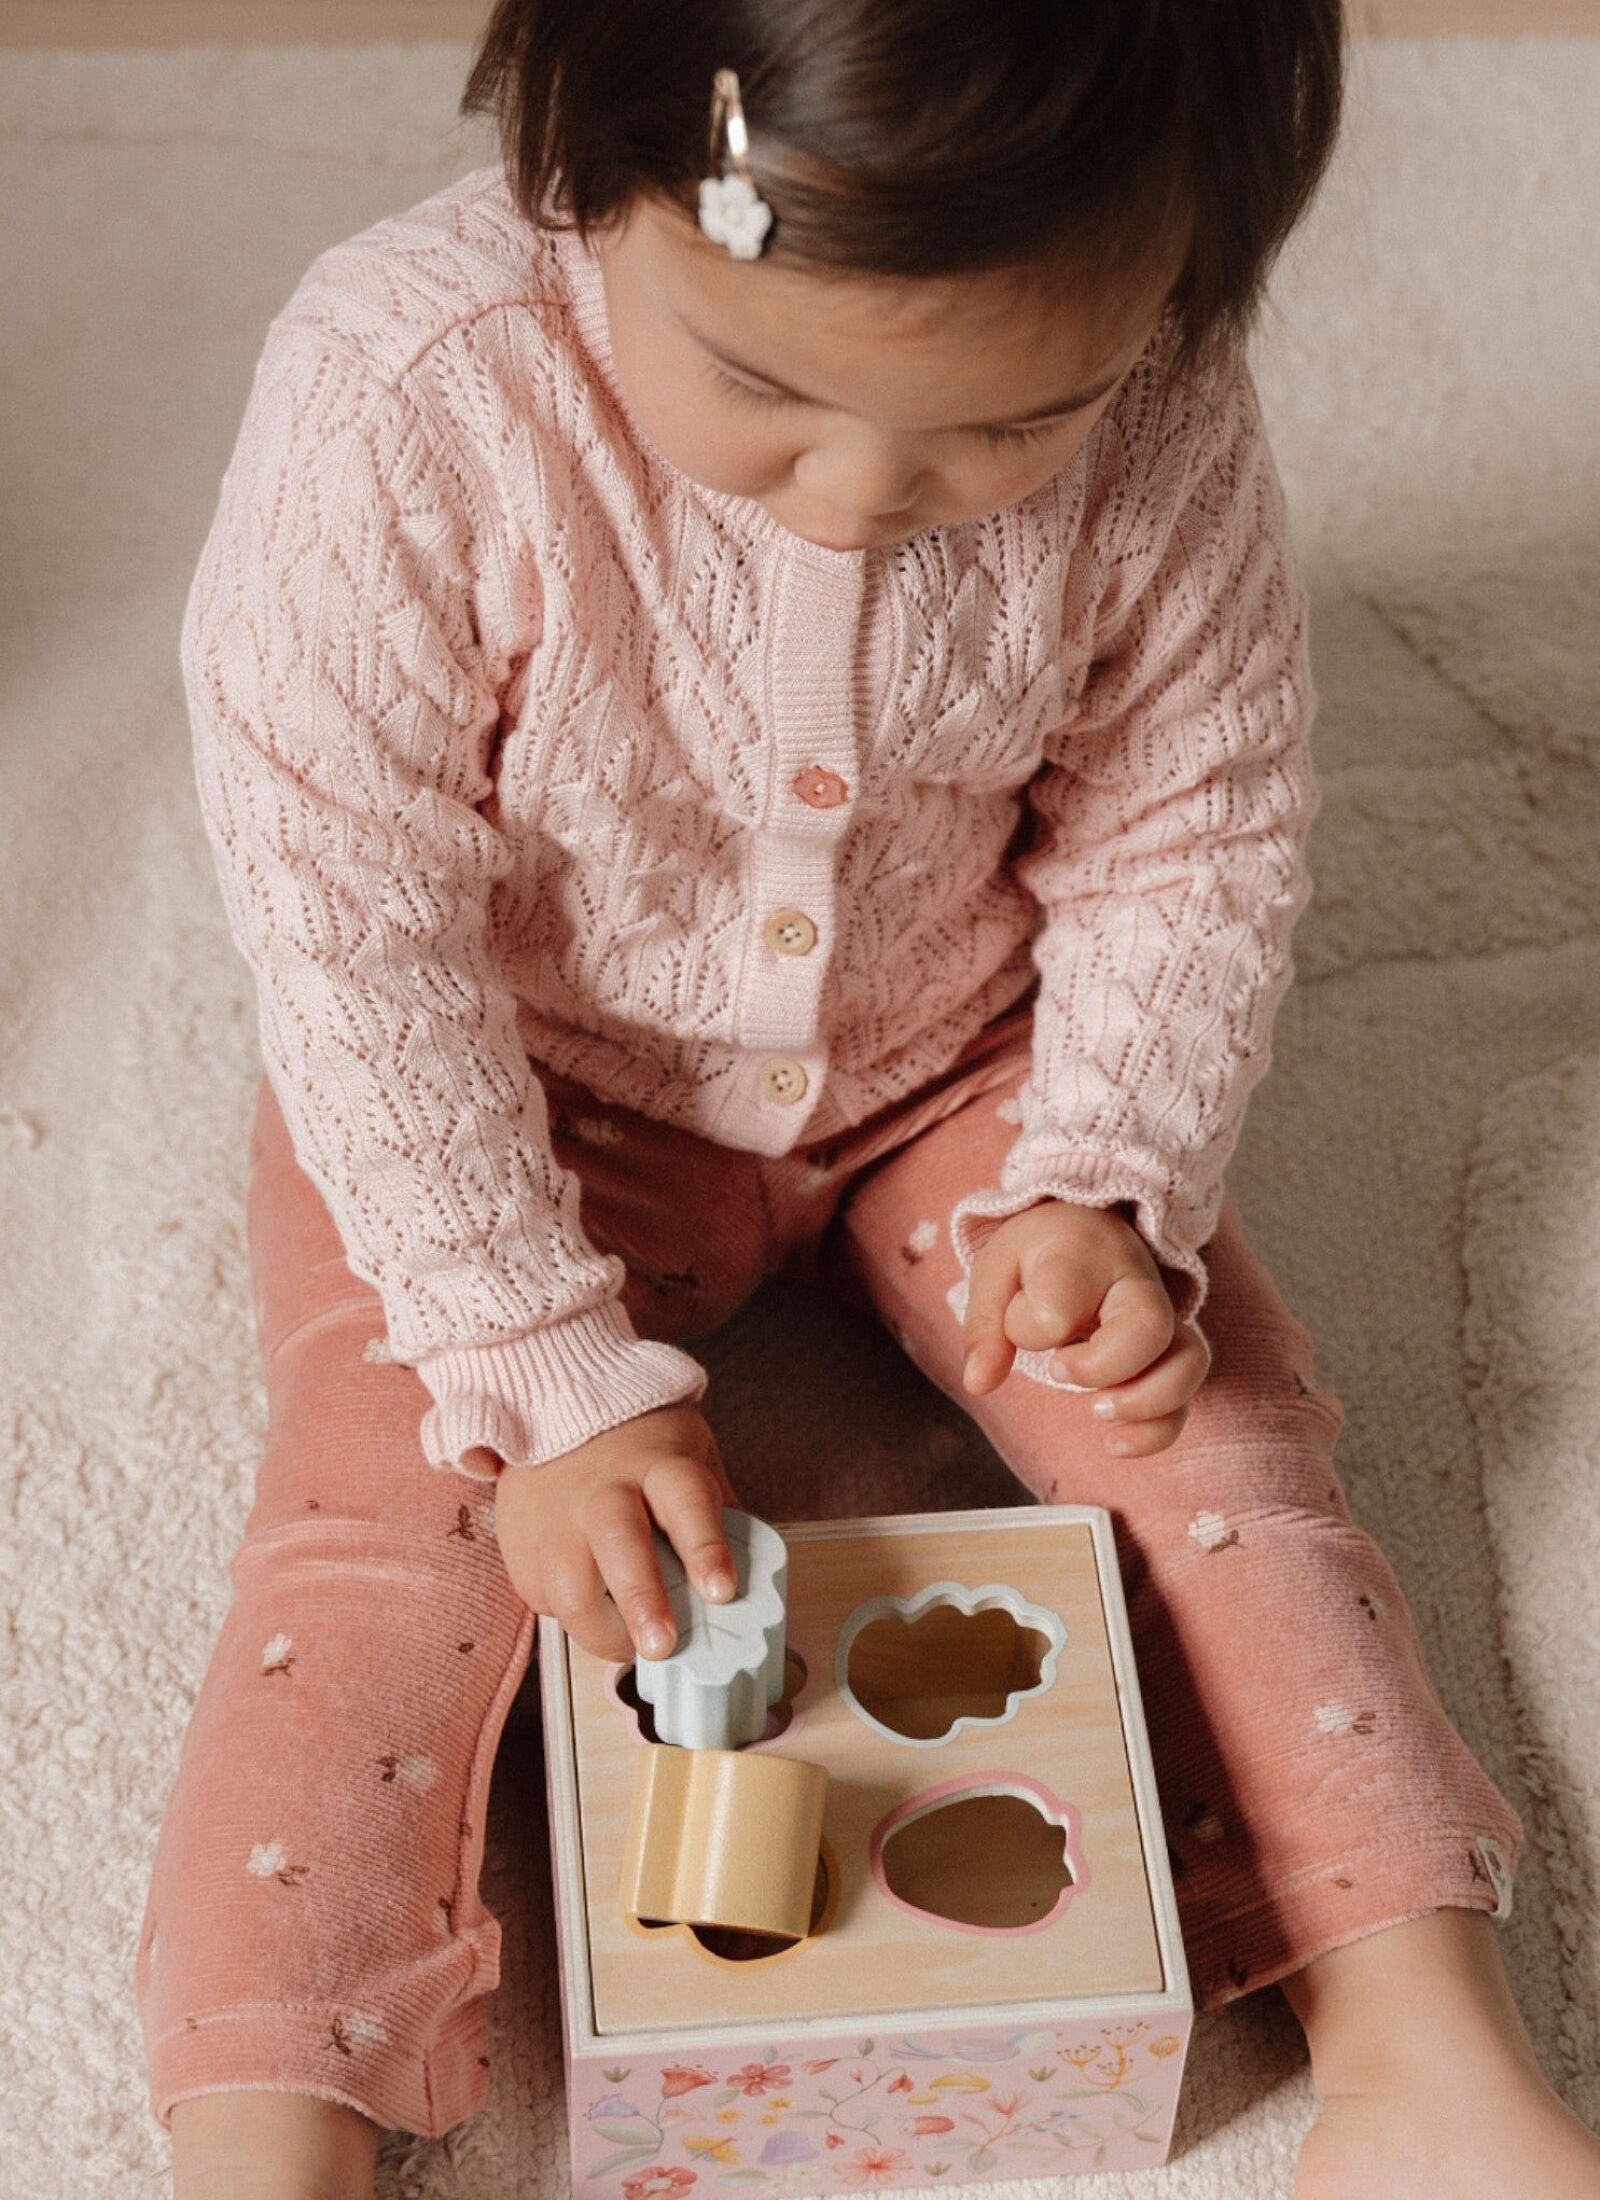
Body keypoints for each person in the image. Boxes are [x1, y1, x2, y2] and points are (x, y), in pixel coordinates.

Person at [134, 4, 1600, 2195]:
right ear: (586, 177)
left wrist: (1110, 1169)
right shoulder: (404, 398)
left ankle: (1410, 2022)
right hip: (511, 1087)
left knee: (1207, 1443)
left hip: (957, 1050)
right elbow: (350, 921)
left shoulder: (1167, 399)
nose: (867, 489)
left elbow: (1186, 822)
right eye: (759, 387)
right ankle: (274, 2127)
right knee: (379, 1540)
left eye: (1006, 422)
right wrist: (535, 1355)